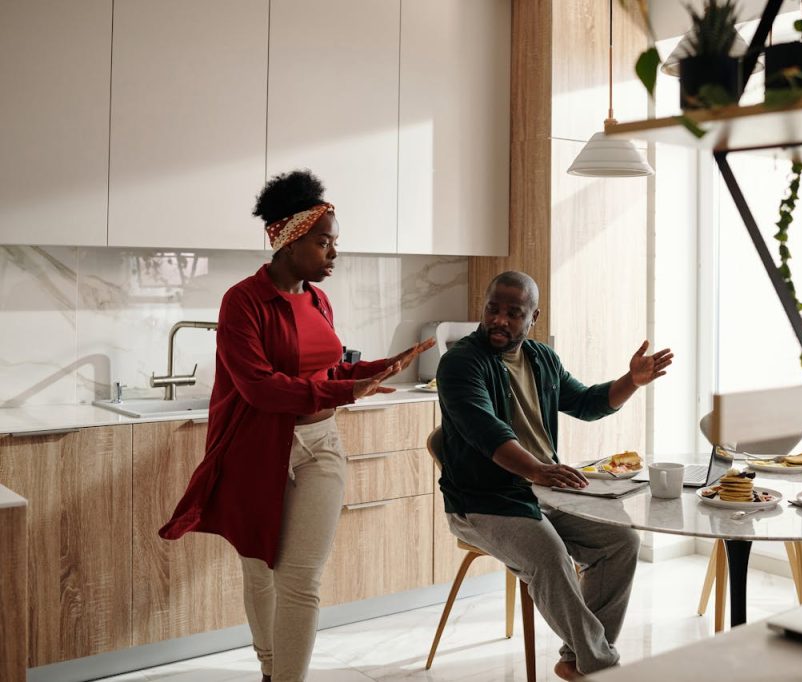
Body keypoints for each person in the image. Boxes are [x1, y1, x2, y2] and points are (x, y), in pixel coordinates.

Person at [158, 169, 435, 682]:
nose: (334, 254)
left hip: (321, 444)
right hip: (258, 449)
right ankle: (270, 668)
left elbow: (327, 371)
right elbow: (259, 386)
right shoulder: (241, 302)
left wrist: (377, 368)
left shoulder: (318, 299)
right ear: (289, 240)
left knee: (301, 578)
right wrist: (344, 389)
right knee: (260, 568)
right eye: (324, 243)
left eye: (335, 244)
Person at [435, 271, 673, 680]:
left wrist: (631, 381)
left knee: (621, 542)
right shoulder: (459, 363)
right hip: (483, 501)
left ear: (534, 317)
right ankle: (601, 667)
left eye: (514, 313)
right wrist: (537, 470)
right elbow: (486, 431)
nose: (500, 320)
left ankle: (576, 660)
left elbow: (586, 402)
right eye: (493, 309)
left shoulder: (542, 359)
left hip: (544, 492)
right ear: (484, 307)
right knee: (549, 557)